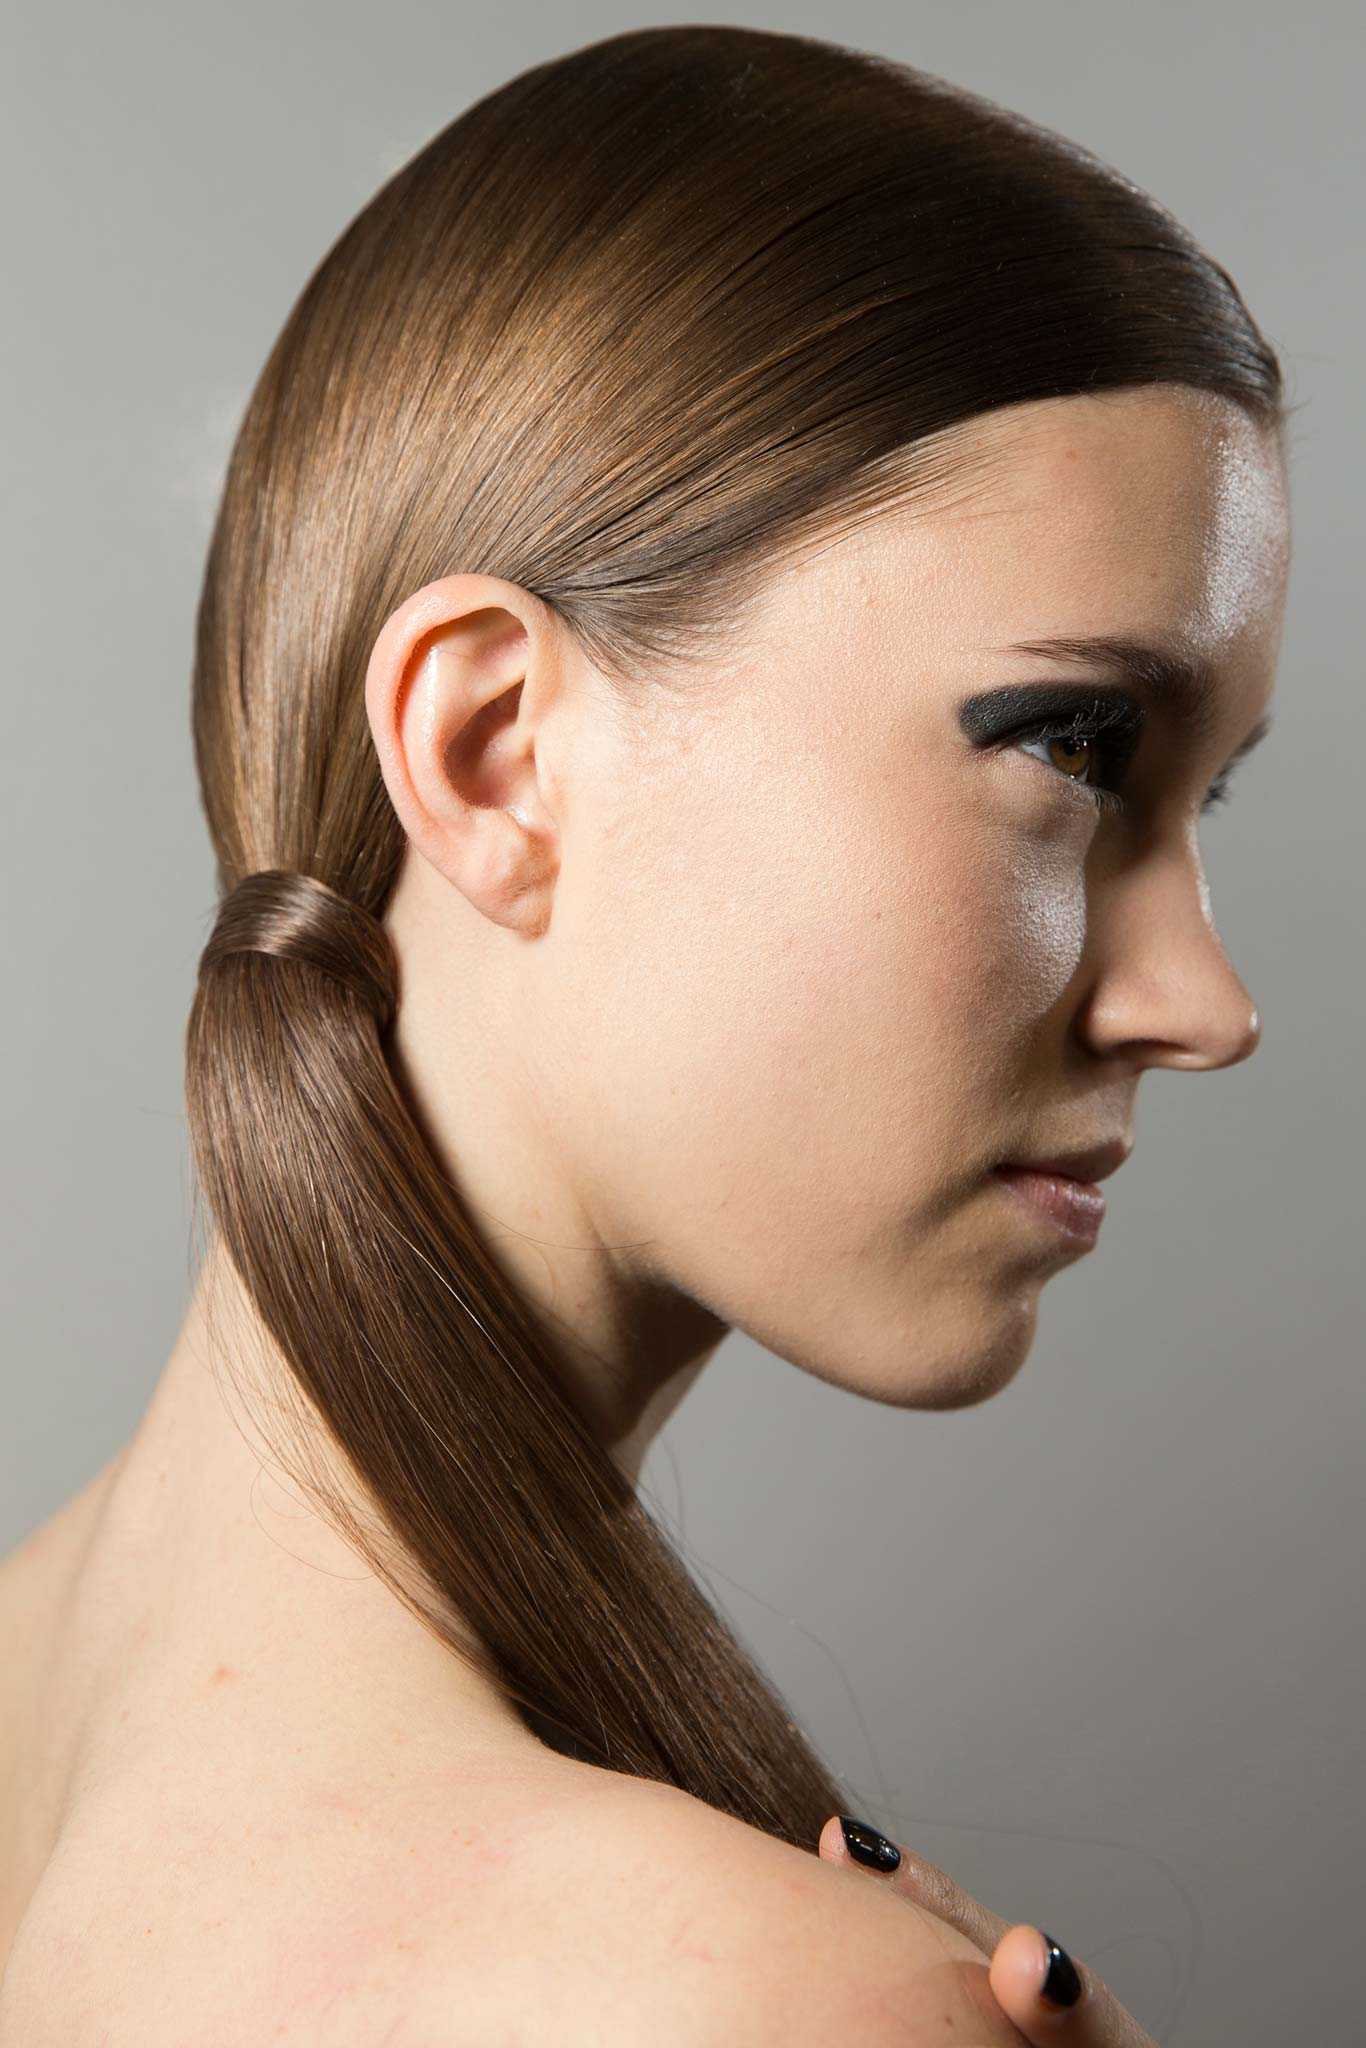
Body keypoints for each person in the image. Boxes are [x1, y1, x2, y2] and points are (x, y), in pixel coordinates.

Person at [0, 22, 1290, 2043]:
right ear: (495, 752)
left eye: (1200, 800)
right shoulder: (742, 2000)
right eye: (1070, 747)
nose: (1200, 1003)